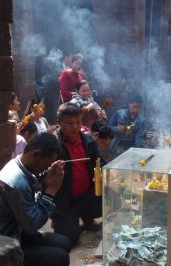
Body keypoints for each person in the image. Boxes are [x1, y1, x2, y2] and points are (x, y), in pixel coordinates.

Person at [0, 133, 70, 266]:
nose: (47, 168)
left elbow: (33, 186)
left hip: (17, 229)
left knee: (64, 242)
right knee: (60, 257)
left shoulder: (17, 163)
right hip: (5, 241)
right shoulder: (16, 184)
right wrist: (50, 192)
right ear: (36, 154)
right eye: (47, 164)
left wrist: (45, 179)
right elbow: (32, 225)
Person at [51, 103, 102, 247]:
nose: (75, 127)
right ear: (60, 122)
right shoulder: (53, 145)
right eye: (69, 123)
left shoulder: (89, 141)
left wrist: (103, 173)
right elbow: (41, 174)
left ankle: (87, 217)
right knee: (69, 240)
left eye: (78, 122)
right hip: (65, 199)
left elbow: (99, 162)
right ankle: (59, 220)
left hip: (86, 193)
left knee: (105, 192)